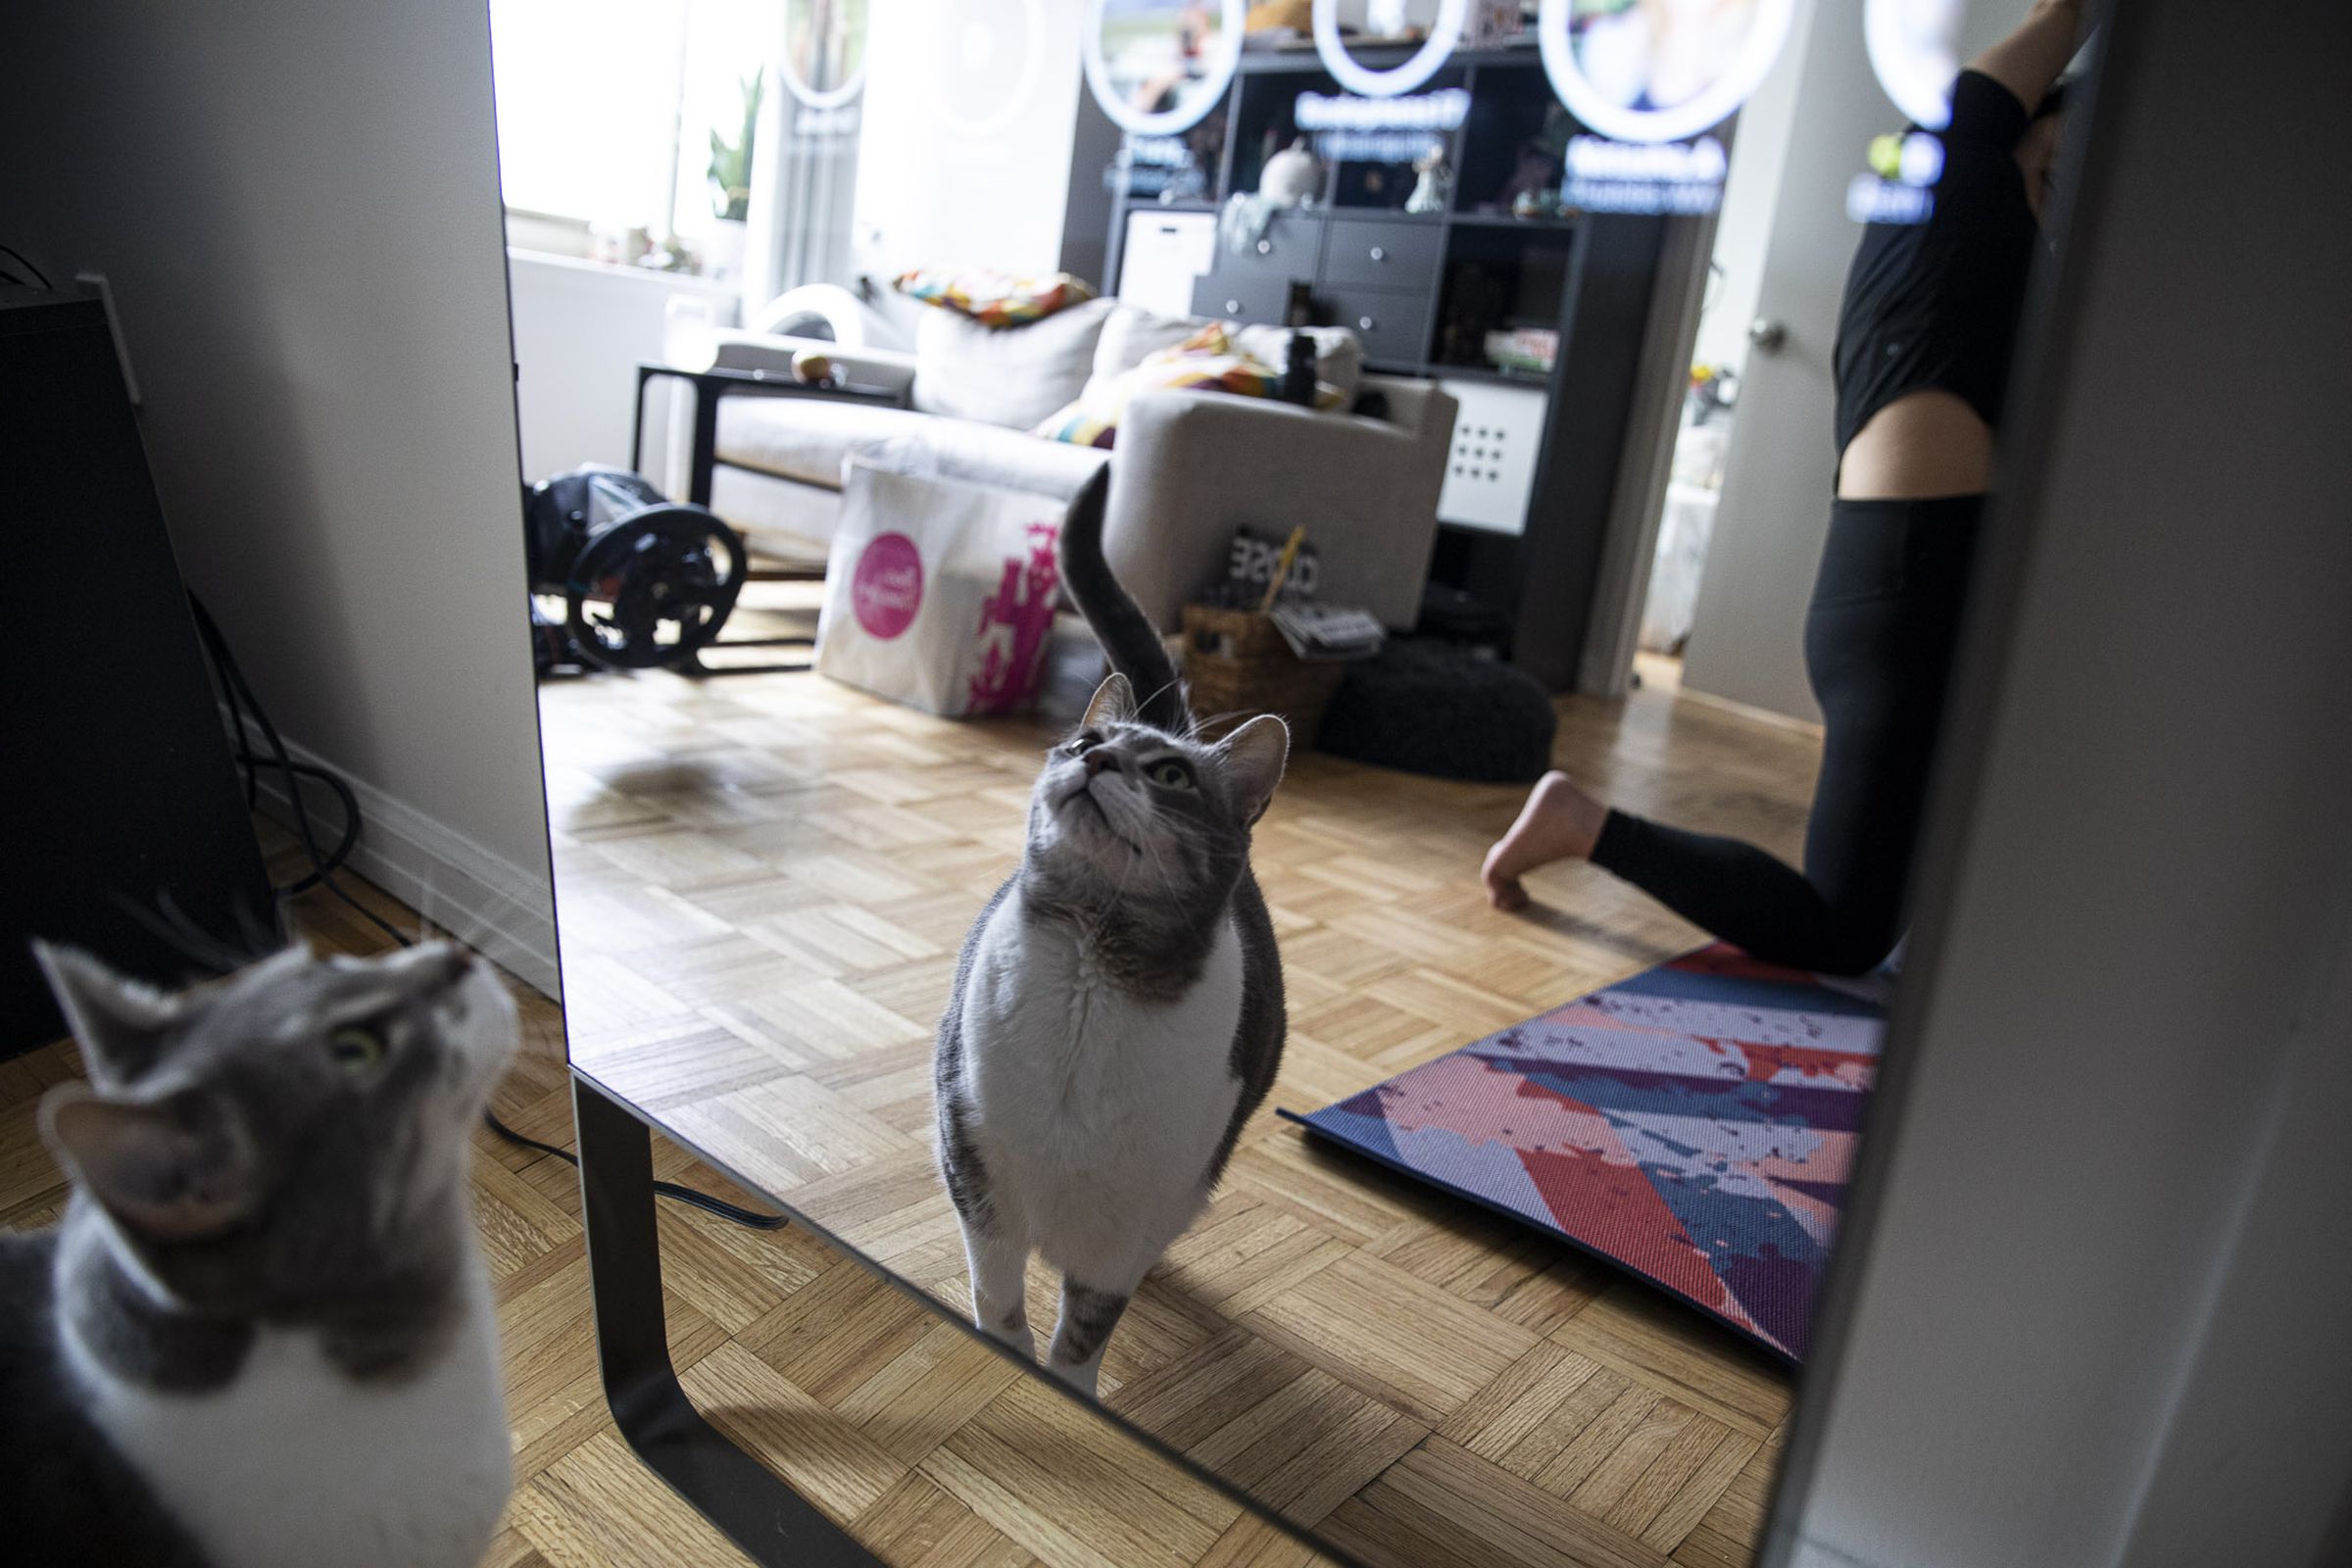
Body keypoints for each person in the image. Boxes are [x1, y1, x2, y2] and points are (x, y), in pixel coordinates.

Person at [1481, 0, 2089, 975]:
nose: (2057, 194)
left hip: (1921, 587)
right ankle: (1585, 826)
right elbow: (2029, 54)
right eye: (2051, 164)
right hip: (1905, 595)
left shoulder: (2005, 282)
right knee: (1844, 928)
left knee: (1897, 891)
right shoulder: (1955, 188)